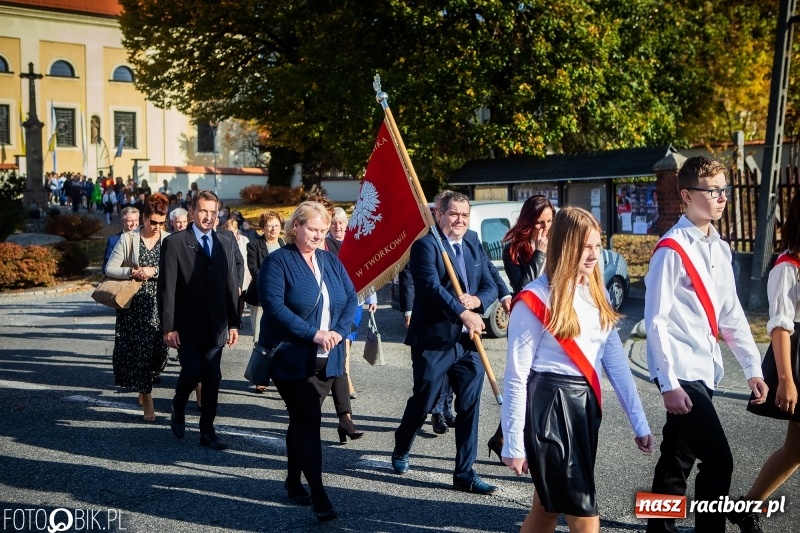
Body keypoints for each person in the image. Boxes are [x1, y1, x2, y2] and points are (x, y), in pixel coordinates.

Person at [501, 206, 653, 533]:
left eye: (598, 246)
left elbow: (616, 363)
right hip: (549, 410)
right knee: (583, 512)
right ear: (565, 246)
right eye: (585, 247)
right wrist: (513, 443)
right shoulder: (534, 298)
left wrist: (639, 422)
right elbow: (516, 376)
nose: (594, 255)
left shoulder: (595, 295)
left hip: (585, 409)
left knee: (545, 509)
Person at [644, 156, 768, 533]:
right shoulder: (671, 249)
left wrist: (751, 368)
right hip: (681, 371)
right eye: (712, 190)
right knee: (719, 459)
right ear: (686, 195)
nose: (721, 198)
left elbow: (730, 314)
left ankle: (657, 526)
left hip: (707, 367)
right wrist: (667, 384)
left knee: (677, 458)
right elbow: (655, 321)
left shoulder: (721, 248)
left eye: (724, 190)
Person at [391, 191, 499, 495]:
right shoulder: (426, 245)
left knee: (469, 406)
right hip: (433, 340)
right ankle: (402, 445)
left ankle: (464, 473)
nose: (460, 220)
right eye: (453, 214)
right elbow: (429, 288)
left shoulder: (473, 242)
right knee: (423, 402)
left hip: (468, 343)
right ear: (439, 214)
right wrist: (462, 312)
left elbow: (490, 282)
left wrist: (478, 300)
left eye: (465, 215)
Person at [259, 201, 357, 522]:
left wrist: (339, 332)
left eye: (323, 230)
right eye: (312, 229)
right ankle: (319, 494)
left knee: (300, 421)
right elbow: (274, 307)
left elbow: (350, 298)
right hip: (290, 358)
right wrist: (313, 333)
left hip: (327, 358)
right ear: (296, 226)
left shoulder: (330, 259)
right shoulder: (278, 262)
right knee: (309, 420)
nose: (318, 235)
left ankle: (291, 480)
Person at [728, 192, 800, 533]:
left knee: (795, 451)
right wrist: (786, 380)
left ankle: (745, 508)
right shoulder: (788, 267)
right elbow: (781, 328)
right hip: (797, 362)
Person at [157, 189, 240, 451]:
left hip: (216, 325)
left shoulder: (225, 241)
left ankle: (207, 431)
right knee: (192, 372)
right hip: (187, 325)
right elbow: (167, 287)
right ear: (192, 212)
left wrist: (234, 322)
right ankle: (178, 404)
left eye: (213, 212)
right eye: (203, 211)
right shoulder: (175, 242)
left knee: (213, 379)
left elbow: (231, 285)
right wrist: (168, 326)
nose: (208, 216)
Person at [105, 194, 170, 422]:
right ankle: (148, 398)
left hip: (161, 305)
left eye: (161, 223)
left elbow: (176, 271)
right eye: (153, 222)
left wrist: (155, 271)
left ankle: (145, 386)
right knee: (141, 353)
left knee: (160, 355)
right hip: (134, 304)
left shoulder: (169, 239)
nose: (157, 227)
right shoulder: (128, 239)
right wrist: (132, 271)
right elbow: (109, 268)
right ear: (144, 218)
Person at [325, 206, 373, 430]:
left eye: (341, 222)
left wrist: (371, 296)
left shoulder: (356, 241)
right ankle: (346, 382)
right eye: (334, 222)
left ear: (347, 224)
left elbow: (367, 268)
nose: (337, 226)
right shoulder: (324, 244)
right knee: (342, 343)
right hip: (336, 302)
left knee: (349, 343)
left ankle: (341, 379)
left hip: (356, 301)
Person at [244, 211, 285, 391]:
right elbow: (255, 270)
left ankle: (278, 375)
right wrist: (276, 281)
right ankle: (260, 376)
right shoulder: (254, 245)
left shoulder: (284, 244)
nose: (273, 229)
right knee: (260, 337)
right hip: (261, 297)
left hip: (283, 299)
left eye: (276, 225)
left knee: (281, 338)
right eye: (269, 225)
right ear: (262, 228)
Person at [502, 194, 555, 295]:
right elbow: (522, 290)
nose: (546, 227)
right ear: (527, 223)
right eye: (539, 222)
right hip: (529, 307)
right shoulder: (513, 251)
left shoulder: (556, 244)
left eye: (549, 221)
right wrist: (539, 254)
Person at [221, 219, 251, 321]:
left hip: (243, 272)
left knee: (241, 296)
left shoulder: (244, 240)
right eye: (229, 230)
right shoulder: (223, 239)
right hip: (229, 272)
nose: (231, 232)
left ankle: (239, 318)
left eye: (233, 230)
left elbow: (246, 258)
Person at [103, 207, 140, 273]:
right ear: (123, 222)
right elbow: (105, 268)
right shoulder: (113, 241)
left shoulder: (145, 238)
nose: (134, 224)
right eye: (130, 221)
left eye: (136, 220)